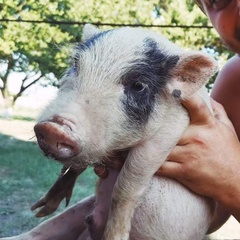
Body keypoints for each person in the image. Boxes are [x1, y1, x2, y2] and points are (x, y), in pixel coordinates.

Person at [2, 0, 240, 239]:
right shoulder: (232, 82)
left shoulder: (181, 83)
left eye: (137, 85)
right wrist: (72, 182)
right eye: (219, 0)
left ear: (187, 75)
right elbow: (214, 212)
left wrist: (230, 178)